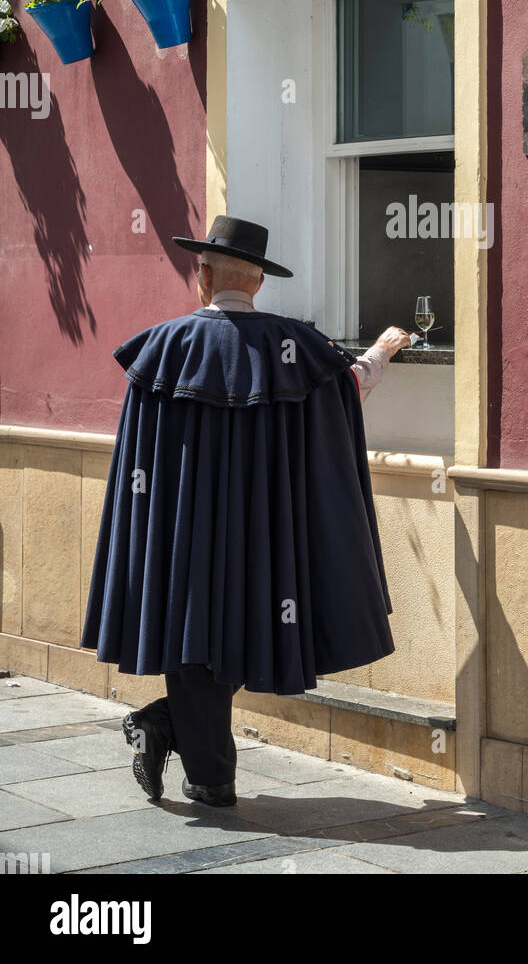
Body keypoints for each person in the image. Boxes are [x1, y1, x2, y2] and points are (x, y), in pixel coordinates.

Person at [81, 215, 411, 808]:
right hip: (266, 529)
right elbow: (346, 390)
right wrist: (383, 351)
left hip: (180, 527)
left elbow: (139, 448)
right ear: (258, 281)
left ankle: (186, 750)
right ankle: (199, 767)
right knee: (255, 621)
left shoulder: (164, 346)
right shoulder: (294, 345)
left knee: (193, 627)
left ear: (201, 274)